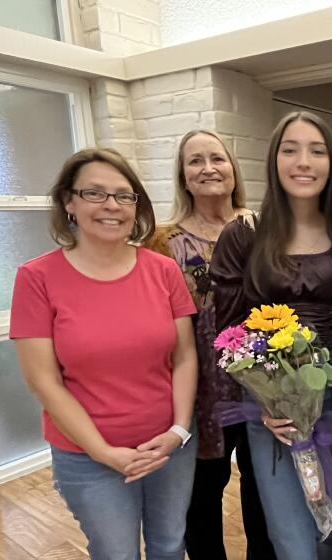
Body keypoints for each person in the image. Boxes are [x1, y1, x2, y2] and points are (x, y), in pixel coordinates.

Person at [10, 148, 198, 560]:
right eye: (95, 193)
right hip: (88, 456)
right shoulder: (36, 278)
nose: (111, 206)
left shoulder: (163, 270)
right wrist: (102, 451)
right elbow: (43, 381)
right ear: (69, 202)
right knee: (117, 554)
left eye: (123, 195)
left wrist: (179, 430)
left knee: (170, 545)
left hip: (169, 445)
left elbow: (185, 357)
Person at [211, 111, 332, 560]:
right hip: (268, 407)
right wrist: (265, 393)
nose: (303, 161)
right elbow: (226, 331)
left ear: (331, 163)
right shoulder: (244, 235)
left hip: (331, 402)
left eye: (316, 151)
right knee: (290, 539)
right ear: (274, 161)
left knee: (325, 528)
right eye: (290, 149)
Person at [145, 129, 275, 559]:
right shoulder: (161, 242)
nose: (207, 168)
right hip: (197, 390)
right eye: (195, 161)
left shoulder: (265, 228)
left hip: (263, 387)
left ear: (233, 169)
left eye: (216, 158)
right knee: (202, 497)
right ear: (183, 176)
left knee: (264, 492)